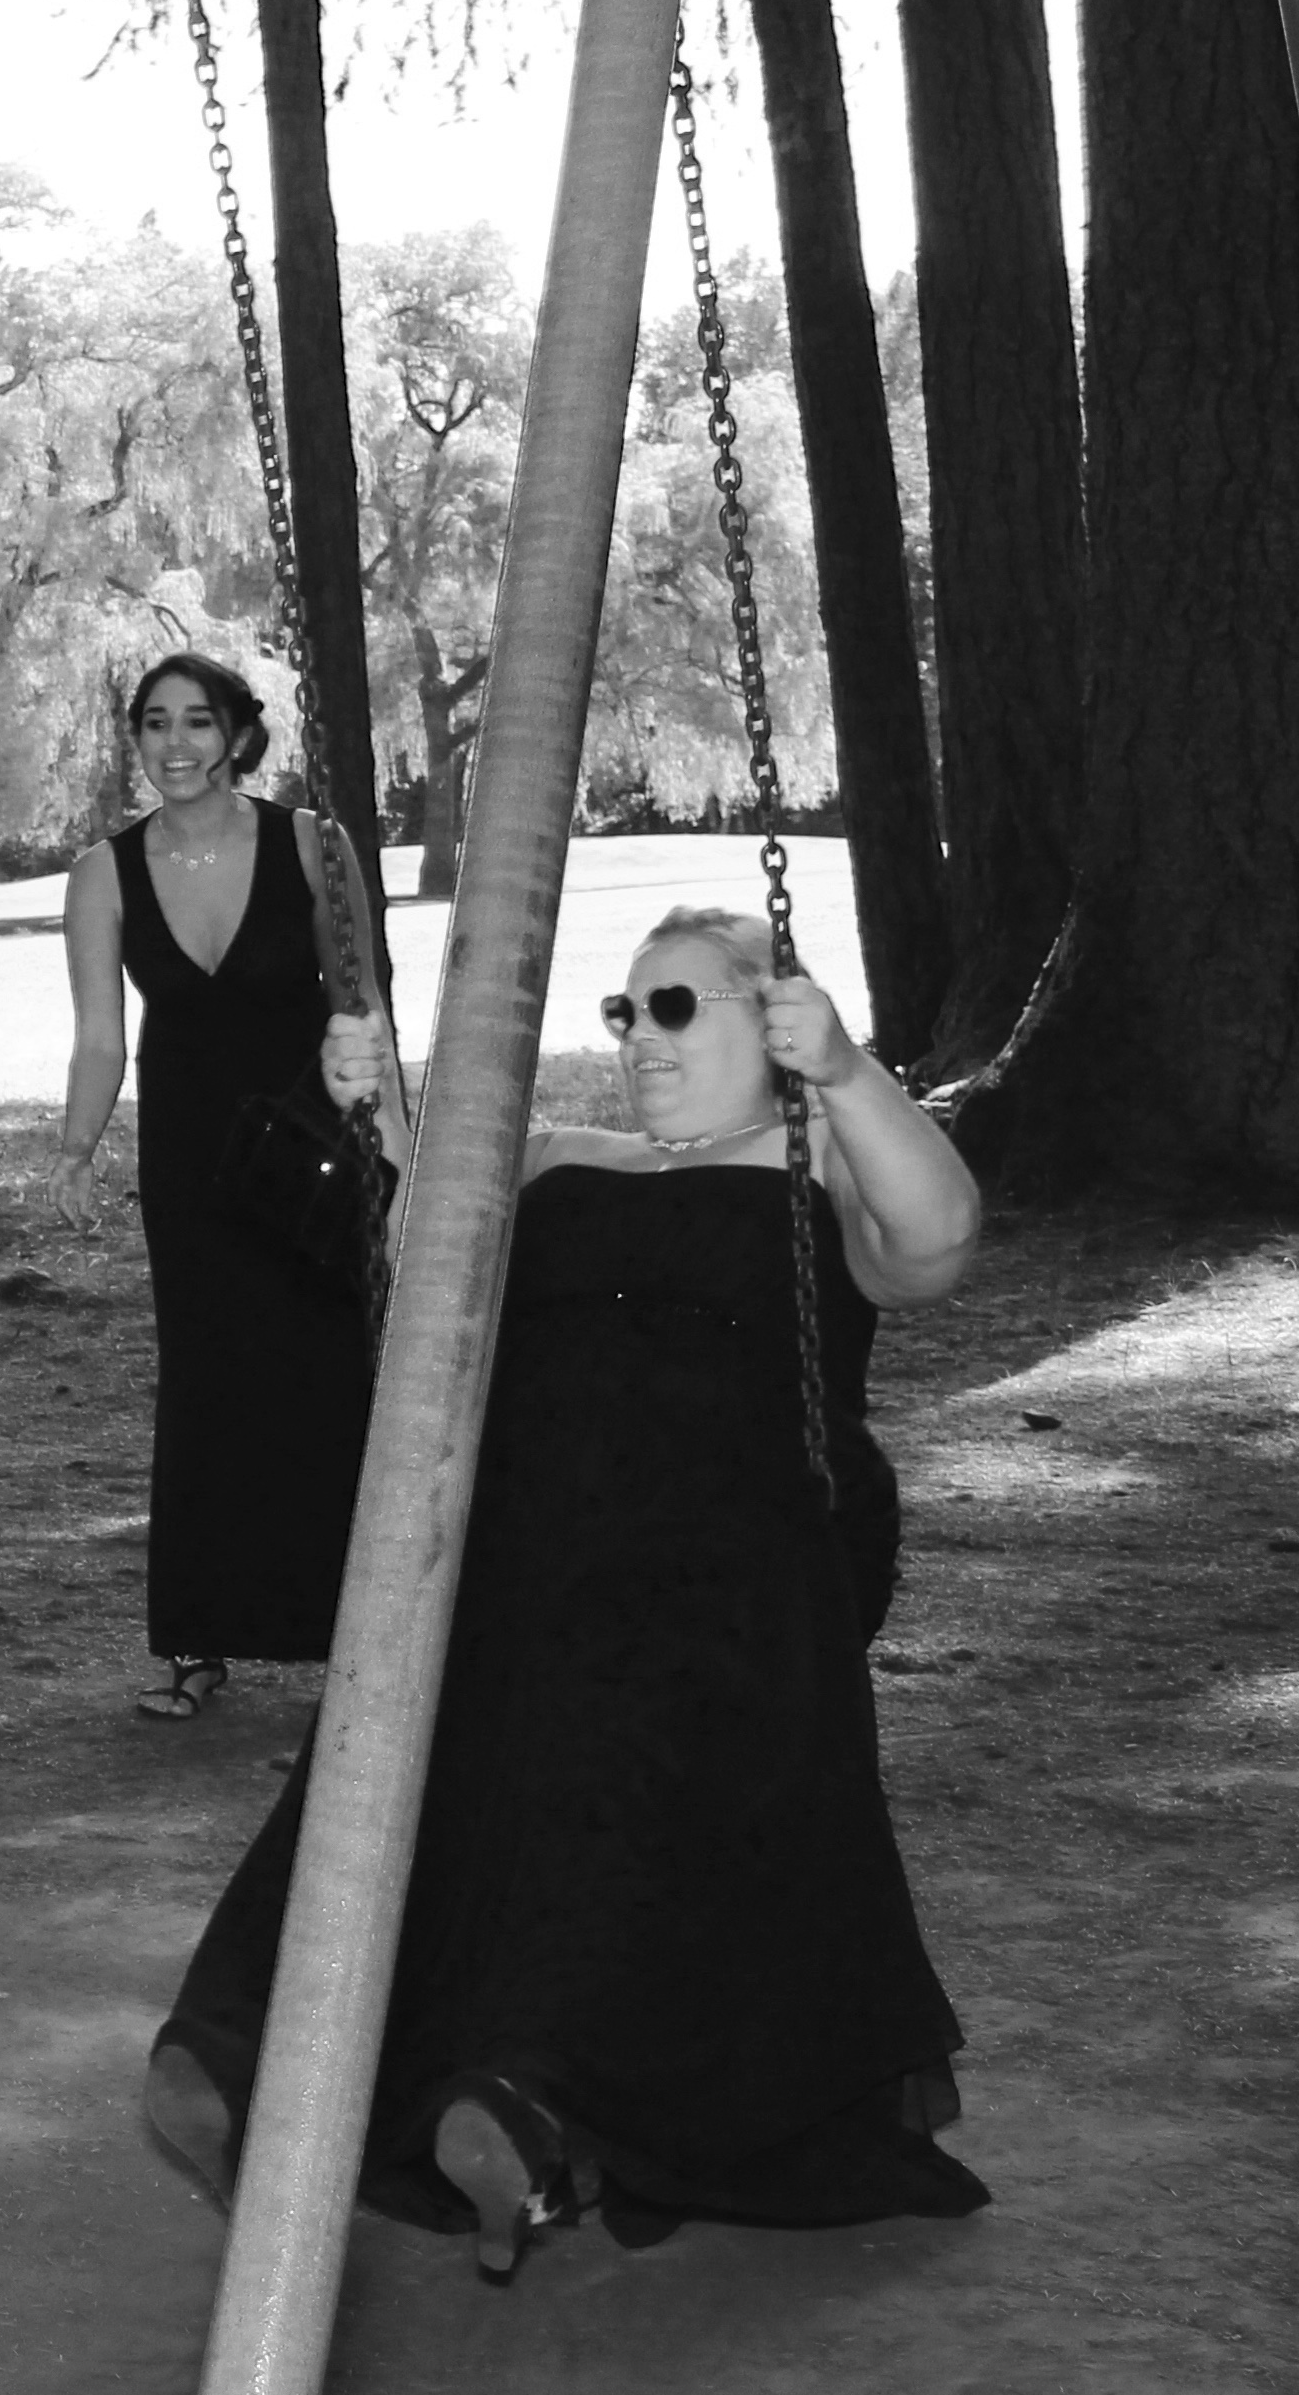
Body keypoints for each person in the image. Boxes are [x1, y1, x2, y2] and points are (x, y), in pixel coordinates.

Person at [144, 906, 988, 2280]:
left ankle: (522, 2101)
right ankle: (238, 2056)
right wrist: (370, 1105)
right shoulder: (555, 1160)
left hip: (723, 1563)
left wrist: (845, 1070)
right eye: (624, 1011)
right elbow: (411, 1251)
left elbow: (940, 1240)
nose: (639, 1037)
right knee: (391, 1747)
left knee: (619, 1763)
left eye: (677, 1007)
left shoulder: (817, 1165)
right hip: (519, 1543)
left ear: (775, 1022)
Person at [56, 651, 383, 1719]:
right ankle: (200, 1640)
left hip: (310, 1144)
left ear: (238, 735)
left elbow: (363, 1005)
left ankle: (354, 1641)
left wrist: (398, 1143)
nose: (176, 744)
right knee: (207, 1384)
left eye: (198, 722)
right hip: (189, 1161)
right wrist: (76, 1150)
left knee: (327, 1377)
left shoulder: (312, 844)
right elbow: (100, 1037)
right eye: (156, 723)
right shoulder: (103, 872)